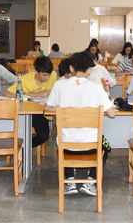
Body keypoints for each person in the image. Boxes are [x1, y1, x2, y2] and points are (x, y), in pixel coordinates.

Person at [45, 52, 115, 196]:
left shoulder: (59, 85)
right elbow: (112, 114)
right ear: (90, 69)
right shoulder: (96, 87)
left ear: (71, 68)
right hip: (91, 146)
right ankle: (90, 181)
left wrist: (63, 108)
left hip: (66, 146)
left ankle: (70, 180)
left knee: (66, 138)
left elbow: (47, 109)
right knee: (106, 147)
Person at [3, 56, 57, 149]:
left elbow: (46, 94)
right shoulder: (25, 79)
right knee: (14, 131)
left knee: (44, 136)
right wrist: (14, 95)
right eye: (44, 75)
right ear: (35, 71)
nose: (47, 77)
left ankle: (22, 148)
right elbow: (5, 93)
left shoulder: (53, 75)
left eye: (49, 74)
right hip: (24, 112)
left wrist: (26, 94)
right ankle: (17, 149)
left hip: (40, 113)